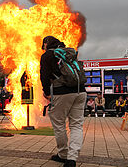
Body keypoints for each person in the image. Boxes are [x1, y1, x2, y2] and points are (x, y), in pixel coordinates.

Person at [40, 36, 87, 167]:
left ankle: (63, 154)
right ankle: (72, 159)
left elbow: (44, 76)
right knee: (76, 125)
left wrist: (47, 93)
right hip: (80, 91)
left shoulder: (47, 55)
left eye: (43, 45)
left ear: (46, 44)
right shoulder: (69, 53)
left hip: (62, 92)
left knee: (59, 124)